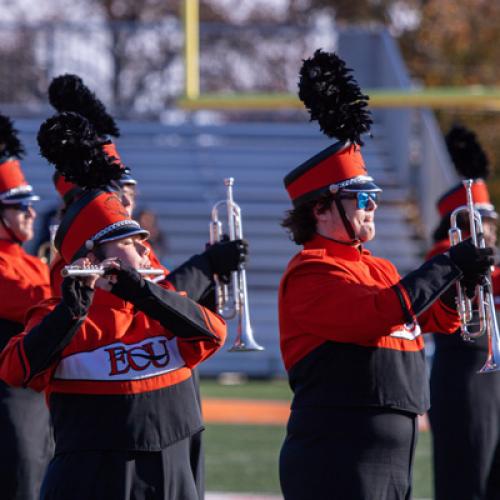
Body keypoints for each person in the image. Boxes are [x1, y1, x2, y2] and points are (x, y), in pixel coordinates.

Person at [277, 50, 494, 500]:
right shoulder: (310, 272)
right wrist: (449, 262)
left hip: (393, 455)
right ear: (320, 208)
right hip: (337, 455)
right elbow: (375, 315)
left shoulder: (378, 267)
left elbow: (436, 322)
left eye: (372, 194)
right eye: (360, 196)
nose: (372, 204)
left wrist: (461, 288)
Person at [0, 113, 229, 500]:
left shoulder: (155, 306)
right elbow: (16, 368)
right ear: (92, 254)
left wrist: (146, 293)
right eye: (128, 240)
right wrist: (69, 313)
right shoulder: (67, 315)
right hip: (97, 475)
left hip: (172, 463)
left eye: (140, 237)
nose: (144, 246)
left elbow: (213, 333)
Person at [428, 124, 500, 500]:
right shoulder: (443, 254)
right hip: (463, 377)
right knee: (466, 480)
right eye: (484, 222)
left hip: (492, 378)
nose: (490, 231)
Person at [0, 113, 53, 499]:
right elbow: (40, 305)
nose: (32, 212)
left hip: (41, 399)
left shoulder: (33, 261)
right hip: (9, 402)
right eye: (20, 206)